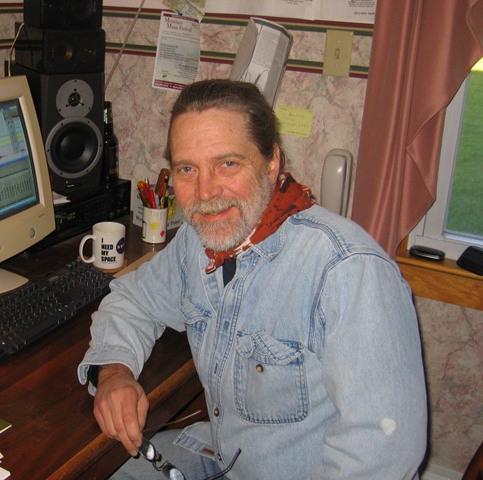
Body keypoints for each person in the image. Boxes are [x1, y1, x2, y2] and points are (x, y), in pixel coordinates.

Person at [78, 79, 427, 479]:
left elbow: (382, 455)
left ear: (272, 162)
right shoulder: (197, 242)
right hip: (223, 454)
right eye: (187, 169)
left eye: (227, 163)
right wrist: (114, 373)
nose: (205, 192)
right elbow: (133, 300)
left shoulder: (347, 271)